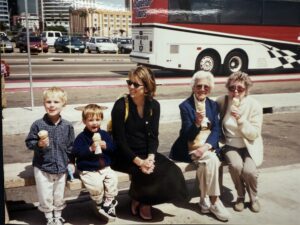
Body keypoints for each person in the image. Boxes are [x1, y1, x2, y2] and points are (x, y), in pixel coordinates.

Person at [110, 65, 188, 220]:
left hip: (145, 152)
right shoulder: (121, 105)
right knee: (148, 173)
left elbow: (153, 136)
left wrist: (151, 157)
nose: (131, 87)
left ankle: (143, 202)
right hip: (123, 155)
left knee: (173, 172)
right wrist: (140, 162)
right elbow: (120, 141)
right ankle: (140, 200)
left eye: (135, 84)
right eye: (129, 82)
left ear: (146, 88)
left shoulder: (154, 106)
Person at [169, 70, 231, 222]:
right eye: (199, 86)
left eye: (206, 86)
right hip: (189, 147)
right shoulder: (185, 106)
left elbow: (216, 129)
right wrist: (196, 123)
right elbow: (186, 135)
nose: (202, 89)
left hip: (206, 148)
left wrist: (206, 146)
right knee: (212, 160)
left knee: (209, 160)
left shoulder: (213, 105)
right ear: (193, 87)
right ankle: (214, 201)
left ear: (210, 88)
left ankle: (204, 200)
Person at [25, 87, 75, 225]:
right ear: (44, 104)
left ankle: (58, 215)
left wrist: (71, 162)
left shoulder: (67, 126)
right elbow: (29, 143)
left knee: (59, 194)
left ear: (63, 104)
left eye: (56, 102)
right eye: (48, 101)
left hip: (61, 166)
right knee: (45, 195)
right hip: (42, 167)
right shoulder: (38, 124)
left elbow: (71, 147)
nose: (52, 105)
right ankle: (49, 218)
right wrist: (39, 144)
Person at [216, 71, 263, 213]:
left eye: (240, 89)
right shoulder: (222, 101)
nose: (235, 91)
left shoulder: (254, 105)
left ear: (247, 90)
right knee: (236, 166)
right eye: (232, 88)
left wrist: (240, 119)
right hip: (229, 143)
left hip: (249, 144)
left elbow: (254, 134)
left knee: (249, 171)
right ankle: (240, 196)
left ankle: (254, 198)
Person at [70, 104, 118, 221]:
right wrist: (90, 149)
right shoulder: (81, 138)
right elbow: (76, 153)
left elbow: (114, 148)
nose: (94, 123)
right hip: (88, 169)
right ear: (84, 121)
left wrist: (106, 145)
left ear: (101, 120)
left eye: (97, 119)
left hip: (105, 167)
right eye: (90, 120)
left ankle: (109, 202)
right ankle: (99, 202)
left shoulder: (105, 135)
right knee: (96, 186)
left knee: (113, 179)